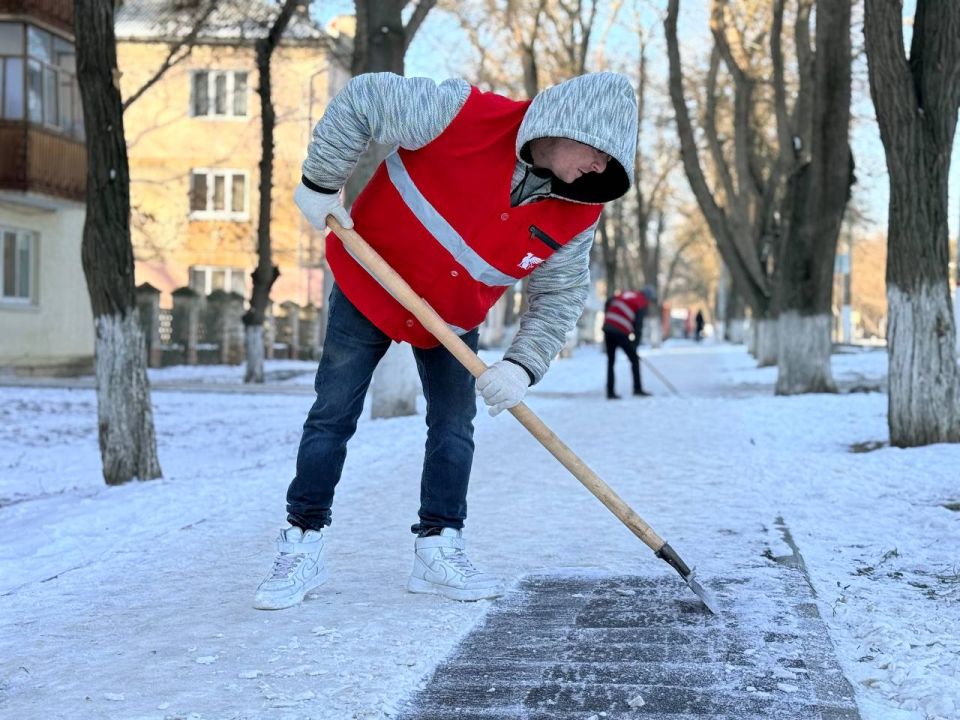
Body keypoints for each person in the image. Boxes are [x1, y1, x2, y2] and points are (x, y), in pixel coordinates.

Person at [252, 71, 638, 610]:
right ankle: (302, 542)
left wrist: (522, 367)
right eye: (600, 153)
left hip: (452, 318)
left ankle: (439, 547)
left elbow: (560, 297)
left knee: (454, 426)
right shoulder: (463, 114)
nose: (601, 169)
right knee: (333, 413)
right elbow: (366, 98)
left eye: (612, 165)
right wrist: (321, 181)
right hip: (370, 284)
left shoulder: (580, 212)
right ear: (568, 123)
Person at [602, 290, 650, 400]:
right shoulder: (641, 302)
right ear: (647, 297)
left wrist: (607, 315)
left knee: (611, 361)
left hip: (608, 326)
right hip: (620, 329)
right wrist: (635, 345)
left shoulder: (626, 294)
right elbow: (638, 325)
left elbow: (609, 301)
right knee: (634, 359)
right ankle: (637, 389)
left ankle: (610, 392)